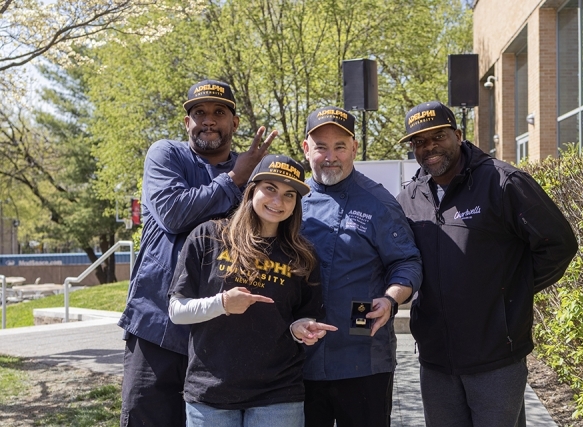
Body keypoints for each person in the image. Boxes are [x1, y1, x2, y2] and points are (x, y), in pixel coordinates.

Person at [395, 101, 578, 427]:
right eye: (419, 142)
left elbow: (558, 244)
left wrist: (511, 290)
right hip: (436, 362)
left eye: (438, 136)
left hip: (495, 358)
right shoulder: (409, 198)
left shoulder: (503, 182)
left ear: (459, 135)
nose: (429, 147)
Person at [118, 79, 277, 427]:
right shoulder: (166, 154)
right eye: (199, 113)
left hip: (220, 339)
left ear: (234, 123)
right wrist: (236, 177)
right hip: (157, 327)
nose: (208, 120)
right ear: (186, 122)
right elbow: (174, 215)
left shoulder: (256, 175)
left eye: (219, 113)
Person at [167, 154, 337, 427]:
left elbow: (301, 318)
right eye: (270, 189)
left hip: (279, 392)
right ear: (252, 190)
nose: (278, 201)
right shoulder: (208, 236)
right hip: (211, 392)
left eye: (289, 195)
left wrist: (302, 328)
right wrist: (222, 304)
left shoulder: (302, 256)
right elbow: (177, 311)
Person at [300, 106, 423, 427]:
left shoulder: (378, 202)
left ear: (354, 148)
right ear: (306, 149)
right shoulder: (289, 201)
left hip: (364, 358)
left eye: (340, 146)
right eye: (321, 147)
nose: (331, 156)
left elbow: (407, 262)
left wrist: (391, 299)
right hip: (300, 360)